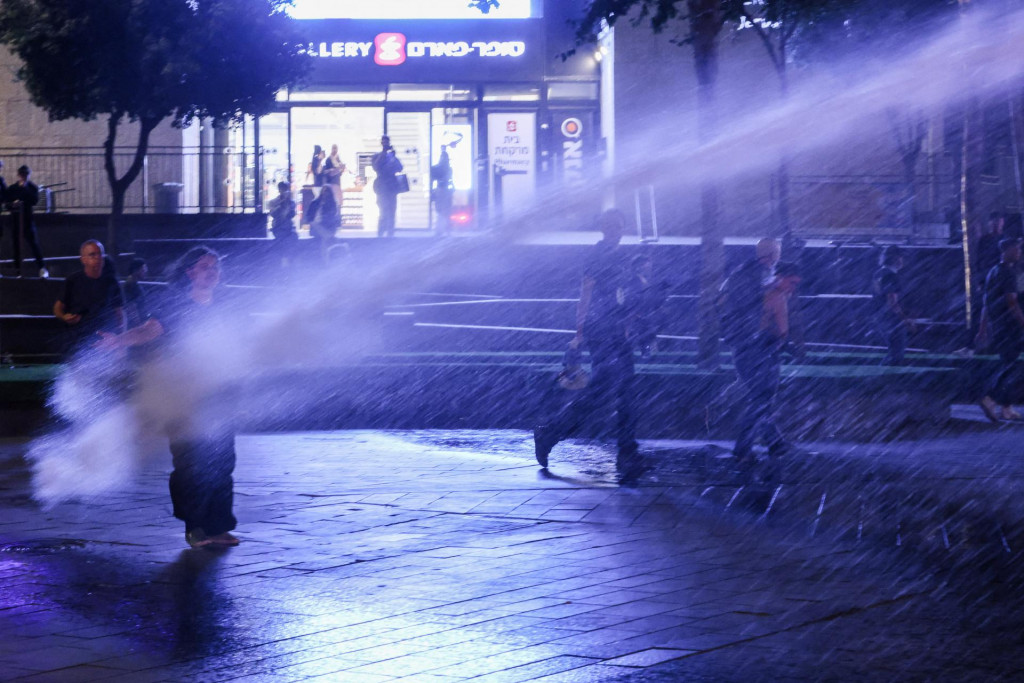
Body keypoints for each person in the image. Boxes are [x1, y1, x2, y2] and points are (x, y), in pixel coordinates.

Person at [97, 246, 240, 549]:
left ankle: (218, 525)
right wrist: (120, 340)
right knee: (191, 461)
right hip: (182, 396)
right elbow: (148, 330)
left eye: (215, 266)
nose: (211, 271)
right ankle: (195, 527)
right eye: (204, 266)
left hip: (219, 395)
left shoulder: (228, 304)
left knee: (223, 460)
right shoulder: (176, 306)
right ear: (190, 273)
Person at [534, 209, 641, 475]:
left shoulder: (619, 255)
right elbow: (587, 291)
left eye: (618, 225)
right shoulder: (599, 254)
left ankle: (628, 452)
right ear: (604, 228)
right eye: (611, 225)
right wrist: (580, 332)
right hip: (602, 332)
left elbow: (622, 296)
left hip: (614, 333)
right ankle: (551, 433)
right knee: (605, 391)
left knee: (625, 391)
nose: (615, 230)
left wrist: (627, 326)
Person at [730, 261, 801, 468]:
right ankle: (742, 449)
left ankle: (775, 442)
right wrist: (787, 347)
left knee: (759, 401)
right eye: (792, 282)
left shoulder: (755, 292)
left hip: (743, 353)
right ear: (780, 277)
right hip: (762, 354)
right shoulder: (777, 297)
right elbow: (782, 332)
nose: (793, 287)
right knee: (760, 402)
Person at [978, 238, 1024, 422]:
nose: (1019, 252)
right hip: (1010, 327)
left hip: (999, 326)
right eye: (1016, 249)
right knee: (1010, 366)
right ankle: (991, 398)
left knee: (1008, 364)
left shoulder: (993, 272)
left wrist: (982, 328)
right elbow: (1012, 303)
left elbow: (986, 303)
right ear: (1006, 250)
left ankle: (1006, 408)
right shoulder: (1008, 273)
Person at [53, 240, 125, 354]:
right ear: (83, 259)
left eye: (100, 254)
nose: (97, 258)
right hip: (78, 339)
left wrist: (120, 338)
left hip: (104, 339)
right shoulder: (73, 280)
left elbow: (119, 313)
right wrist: (64, 317)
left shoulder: (111, 282)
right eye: (92, 255)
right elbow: (57, 308)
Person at [872, 245, 915, 365]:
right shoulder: (892, 276)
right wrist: (905, 319)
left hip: (879, 316)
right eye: (901, 257)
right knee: (896, 354)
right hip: (891, 319)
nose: (902, 260)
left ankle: (881, 376)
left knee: (892, 351)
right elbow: (892, 302)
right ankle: (886, 378)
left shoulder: (878, 273)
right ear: (895, 258)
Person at [5, 165, 47, 278]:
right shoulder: (13, 188)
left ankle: (42, 268)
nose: (24, 177)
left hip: (28, 221)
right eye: (22, 175)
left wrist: (25, 188)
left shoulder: (32, 187)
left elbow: (34, 200)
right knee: (16, 246)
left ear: (28, 175)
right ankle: (18, 271)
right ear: (18, 175)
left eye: (26, 175)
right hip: (15, 221)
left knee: (34, 244)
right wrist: (13, 204)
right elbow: (7, 203)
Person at [625, 253, 668, 358]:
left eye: (649, 264)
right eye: (646, 264)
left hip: (646, 312)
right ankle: (644, 352)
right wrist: (635, 311)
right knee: (641, 333)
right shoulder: (634, 280)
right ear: (638, 266)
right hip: (638, 313)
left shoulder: (646, 279)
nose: (649, 267)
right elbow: (633, 297)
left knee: (647, 334)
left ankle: (647, 351)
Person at [372, 135, 404, 238]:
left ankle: (390, 232)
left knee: (391, 210)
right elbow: (375, 167)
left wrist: (393, 157)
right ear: (381, 143)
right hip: (381, 186)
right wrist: (383, 153)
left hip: (391, 186)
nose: (385, 144)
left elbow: (400, 168)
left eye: (387, 142)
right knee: (383, 210)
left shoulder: (392, 157)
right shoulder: (377, 156)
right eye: (383, 142)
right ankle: (381, 233)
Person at [306, 185, 341, 264]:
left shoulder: (333, 204)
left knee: (324, 240)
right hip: (317, 226)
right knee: (324, 237)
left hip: (328, 226)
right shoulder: (315, 203)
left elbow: (333, 217)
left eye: (327, 192)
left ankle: (325, 261)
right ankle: (326, 261)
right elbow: (309, 217)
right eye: (324, 191)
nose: (325, 193)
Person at [431, 146, 454, 236]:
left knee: (441, 210)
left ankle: (441, 229)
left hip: (442, 190)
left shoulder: (439, 168)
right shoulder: (445, 168)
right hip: (443, 190)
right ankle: (444, 229)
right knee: (444, 210)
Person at [122, 258, 149, 329]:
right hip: (135, 326)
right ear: (136, 270)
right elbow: (131, 307)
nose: (146, 271)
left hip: (137, 324)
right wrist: (139, 326)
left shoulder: (133, 282)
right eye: (143, 270)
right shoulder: (131, 284)